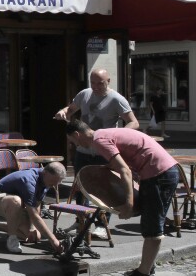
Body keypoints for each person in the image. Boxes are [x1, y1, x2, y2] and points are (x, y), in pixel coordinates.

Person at [65, 119, 179, 276]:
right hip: (160, 172)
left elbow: (124, 170)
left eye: (73, 141)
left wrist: (128, 204)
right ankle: (148, 269)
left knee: (153, 227)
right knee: (150, 225)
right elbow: (116, 165)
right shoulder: (104, 134)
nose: (76, 145)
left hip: (158, 174)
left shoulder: (99, 141)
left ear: (77, 134)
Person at [54, 68, 139, 238]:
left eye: (100, 83)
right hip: (83, 149)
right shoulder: (84, 94)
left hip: (104, 150)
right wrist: (63, 112)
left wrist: (116, 135)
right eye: (92, 82)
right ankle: (81, 221)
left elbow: (133, 123)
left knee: (103, 188)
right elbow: (71, 110)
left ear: (108, 81)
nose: (96, 86)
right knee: (80, 186)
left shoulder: (116, 99)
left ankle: (102, 224)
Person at [0, 162, 67, 254]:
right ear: (45, 172)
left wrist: (32, 228)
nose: (54, 185)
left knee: (35, 236)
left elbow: (36, 204)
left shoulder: (46, 180)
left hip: (17, 204)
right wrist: (53, 240)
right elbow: (34, 215)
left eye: (56, 183)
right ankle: (12, 239)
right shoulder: (29, 181)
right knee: (15, 201)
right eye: (52, 182)